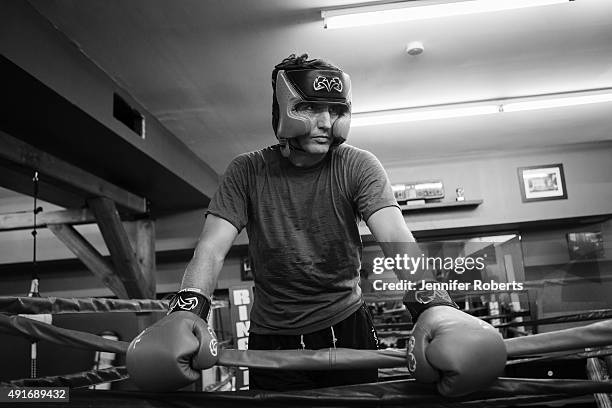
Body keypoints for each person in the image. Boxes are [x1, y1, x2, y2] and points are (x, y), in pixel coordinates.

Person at [126, 54, 506, 396]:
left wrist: (433, 304)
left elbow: (394, 237)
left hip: (347, 324)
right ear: (282, 110)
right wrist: (187, 311)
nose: (325, 123)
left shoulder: (356, 164)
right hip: (271, 336)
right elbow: (211, 247)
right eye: (309, 107)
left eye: (335, 109)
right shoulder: (247, 171)